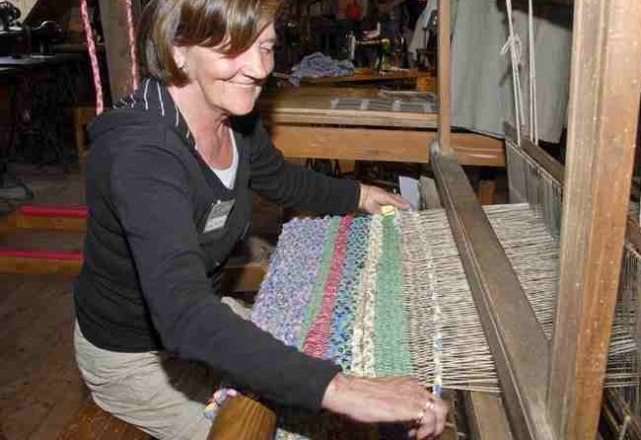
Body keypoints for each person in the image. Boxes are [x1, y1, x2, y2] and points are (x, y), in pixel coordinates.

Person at [72, 0, 447, 439]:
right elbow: (184, 314)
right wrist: (342, 389)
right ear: (178, 50)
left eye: (266, 47)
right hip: (134, 356)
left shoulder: (234, 120)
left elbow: (282, 179)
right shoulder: (141, 155)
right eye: (233, 49)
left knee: (339, 389)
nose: (257, 68)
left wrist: (360, 194)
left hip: (200, 318)